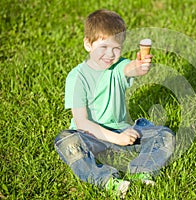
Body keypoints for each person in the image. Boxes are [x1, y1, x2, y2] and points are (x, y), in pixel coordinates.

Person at [54, 9, 175, 198]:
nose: (110, 54)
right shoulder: (77, 77)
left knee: (164, 134)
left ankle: (143, 169)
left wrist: (140, 67)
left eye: (116, 48)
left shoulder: (117, 67)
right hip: (91, 136)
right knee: (66, 141)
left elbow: (130, 68)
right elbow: (81, 122)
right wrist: (115, 139)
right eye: (103, 47)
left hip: (123, 131)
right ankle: (107, 180)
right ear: (88, 44)